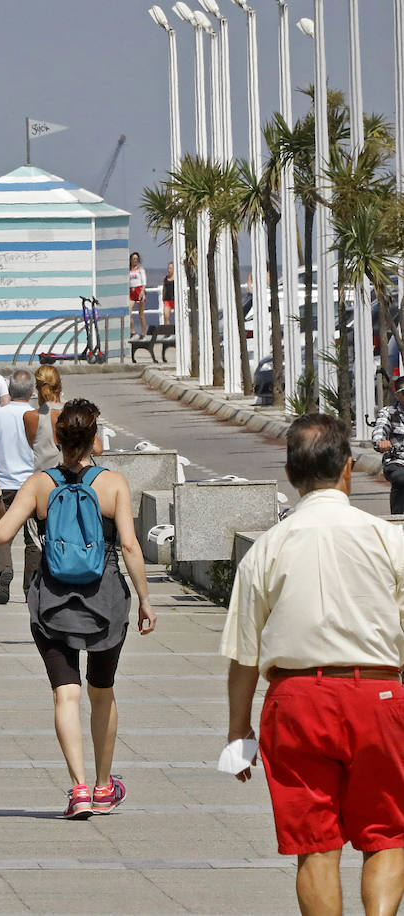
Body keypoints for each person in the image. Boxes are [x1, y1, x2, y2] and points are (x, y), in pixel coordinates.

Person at [223, 414, 404, 916]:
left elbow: (244, 654)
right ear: (348, 469)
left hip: (296, 701)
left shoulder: (267, 549)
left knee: (315, 843)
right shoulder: (387, 538)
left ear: (290, 475)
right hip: (378, 694)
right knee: (387, 832)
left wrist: (239, 733)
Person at [0, 399, 155, 818]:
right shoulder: (114, 483)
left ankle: (78, 789)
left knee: (66, 694)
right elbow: (131, 546)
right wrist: (145, 600)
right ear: (93, 438)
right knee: (102, 691)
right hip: (106, 598)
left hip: (51, 599)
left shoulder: (38, 484)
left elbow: (3, 533)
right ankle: (104, 786)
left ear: (58, 437)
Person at [0, 370, 39, 603]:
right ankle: (31, 586)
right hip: (31, 484)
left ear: (9, 389)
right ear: (33, 391)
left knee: (2, 533)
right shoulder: (37, 416)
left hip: (3, 483)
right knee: (34, 538)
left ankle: (4, 571)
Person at [373, 376, 404, 515]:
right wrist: (381, 442)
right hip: (397, 461)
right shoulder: (388, 412)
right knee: (400, 478)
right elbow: (380, 429)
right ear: (397, 394)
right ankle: (399, 521)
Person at [26, 364, 63, 471]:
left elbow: (33, 446)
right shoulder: (74, 414)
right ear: (60, 384)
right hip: (70, 481)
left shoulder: (30, 417)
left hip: (43, 479)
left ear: (37, 388)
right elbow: (98, 449)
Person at [128, 252, 148, 335]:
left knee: (141, 314)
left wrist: (142, 291)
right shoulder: (128, 270)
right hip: (131, 291)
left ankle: (143, 332)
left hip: (139, 290)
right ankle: (133, 330)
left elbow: (144, 282)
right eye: (133, 259)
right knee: (128, 313)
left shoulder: (140, 269)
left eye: (136, 259)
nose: (135, 260)